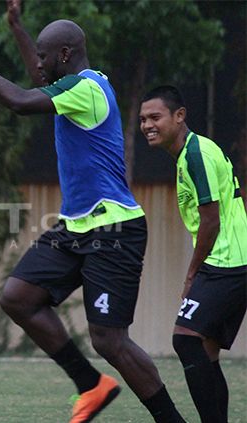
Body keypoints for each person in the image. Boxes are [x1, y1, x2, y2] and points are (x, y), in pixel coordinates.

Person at [0, 2, 185, 422]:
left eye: (46, 56)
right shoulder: (74, 84)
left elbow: (18, 99)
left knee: (110, 340)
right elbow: (37, 76)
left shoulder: (85, 89)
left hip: (114, 228)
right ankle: (91, 385)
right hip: (77, 226)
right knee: (18, 297)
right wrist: (17, 28)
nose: (40, 63)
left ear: (65, 55)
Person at [140, 85, 247, 423]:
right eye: (143, 119)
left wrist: (191, 275)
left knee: (185, 340)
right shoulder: (193, 152)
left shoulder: (196, 154)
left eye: (155, 117)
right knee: (206, 351)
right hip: (232, 259)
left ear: (179, 116)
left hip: (227, 262)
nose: (147, 125)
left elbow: (211, 220)